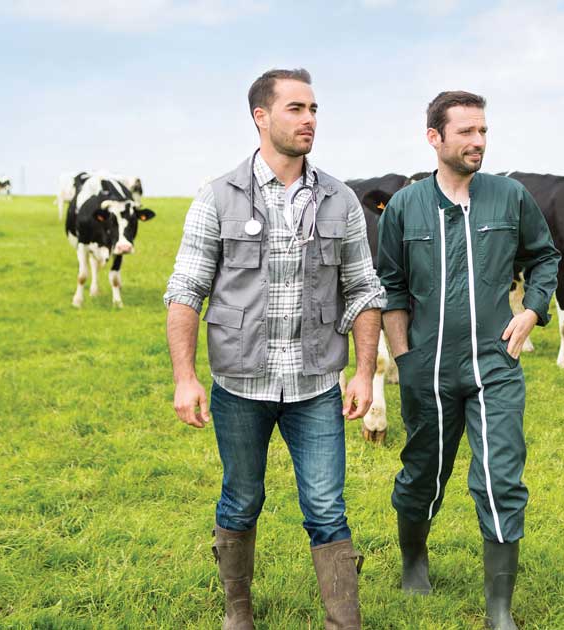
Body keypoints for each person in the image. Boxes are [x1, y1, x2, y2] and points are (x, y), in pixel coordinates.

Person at [164, 68, 384, 630]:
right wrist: (185, 378)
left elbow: (363, 288)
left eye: (313, 109)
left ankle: (344, 622)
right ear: (260, 117)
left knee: (327, 508)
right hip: (240, 384)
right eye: (295, 108)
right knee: (241, 499)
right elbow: (186, 290)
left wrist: (363, 374)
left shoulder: (341, 200)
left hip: (315, 386)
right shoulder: (217, 197)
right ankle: (238, 612)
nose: (309, 118)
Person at [375, 91, 560, 629]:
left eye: (483, 131)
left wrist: (532, 310)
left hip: (494, 364)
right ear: (435, 138)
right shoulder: (406, 206)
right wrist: (406, 357)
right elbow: (391, 287)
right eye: (466, 133)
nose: (478, 141)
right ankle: (414, 558)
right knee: (422, 475)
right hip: (426, 368)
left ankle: (499, 609)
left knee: (500, 477)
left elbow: (545, 256)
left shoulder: (510, 197)